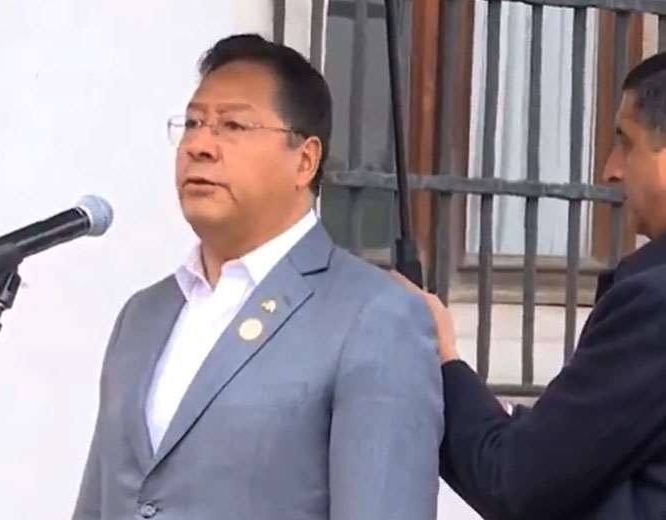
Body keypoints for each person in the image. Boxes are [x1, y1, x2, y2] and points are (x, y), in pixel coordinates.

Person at [71, 34, 443, 520]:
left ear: (304, 160)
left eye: (232, 125)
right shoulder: (144, 315)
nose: (200, 145)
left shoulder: (373, 318)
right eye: (193, 123)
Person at [401, 51, 666, 519]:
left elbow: (518, 484)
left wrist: (441, 358)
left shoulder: (654, 302)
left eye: (625, 142)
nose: (610, 169)